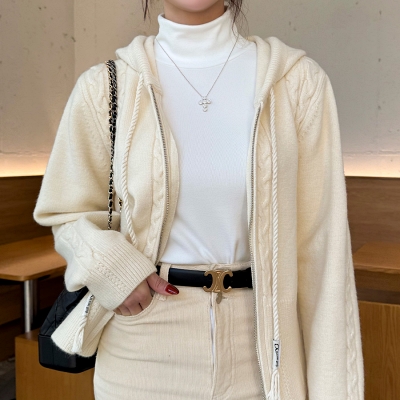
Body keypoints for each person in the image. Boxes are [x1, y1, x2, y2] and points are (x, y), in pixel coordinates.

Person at [33, 0, 365, 399]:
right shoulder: (105, 87)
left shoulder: (298, 82)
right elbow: (65, 211)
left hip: (265, 349)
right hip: (142, 346)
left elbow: (321, 253)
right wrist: (115, 272)